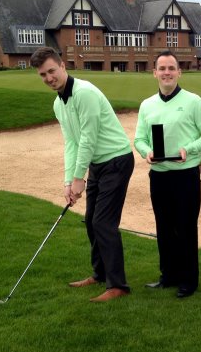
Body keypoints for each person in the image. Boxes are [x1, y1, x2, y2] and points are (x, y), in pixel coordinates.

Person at [30, 47, 134, 303]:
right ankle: (100, 274)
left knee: (103, 222)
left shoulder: (84, 93)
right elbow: (72, 143)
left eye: (51, 71)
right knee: (90, 221)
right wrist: (69, 180)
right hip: (98, 164)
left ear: (63, 66)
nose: (49, 78)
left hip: (117, 160)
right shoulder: (58, 103)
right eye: (43, 75)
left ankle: (117, 285)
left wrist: (79, 178)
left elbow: (88, 137)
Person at [134, 51, 201, 298]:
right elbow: (139, 138)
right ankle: (168, 276)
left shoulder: (193, 102)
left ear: (179, 72)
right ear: (155, 73)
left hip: (185, 176)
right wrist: (147, 152)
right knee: (164, 227)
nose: (167, 72)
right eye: (162, 68)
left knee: (185, 228)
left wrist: (189, 149)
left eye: (172, 68)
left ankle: (188, 281)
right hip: (158, 176)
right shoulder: (147, 105)